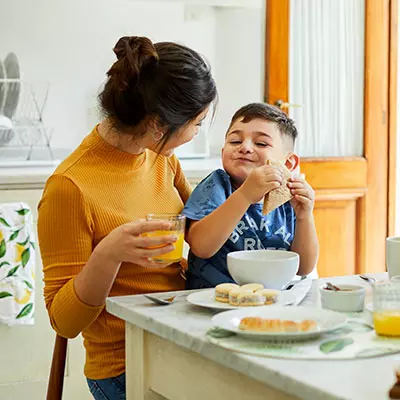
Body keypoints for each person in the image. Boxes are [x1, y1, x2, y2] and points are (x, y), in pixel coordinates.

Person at [37, 36, 217, 399]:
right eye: (196, 124)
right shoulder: (70, 186)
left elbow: (205, 230)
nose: (196, 133)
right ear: (156, 124)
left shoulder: (161, 158)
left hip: (180, 337)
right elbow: (64, 321)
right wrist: (109, 253)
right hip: (126, 363)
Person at [182, 103, 319, 289]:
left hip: (272, 302)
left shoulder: (289, 198)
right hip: (215, 300)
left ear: (288, 163)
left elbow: (303, 267)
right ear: (223, 152)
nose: (245, 147)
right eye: (235, 141)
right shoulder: (216, 186)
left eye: (261, 143)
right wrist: (245, 195)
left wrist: (305, 217)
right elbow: (201, 246)